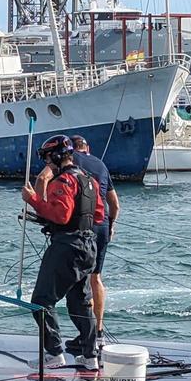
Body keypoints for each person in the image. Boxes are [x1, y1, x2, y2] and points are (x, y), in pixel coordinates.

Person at [21, 135, 104, 372]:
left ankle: (55, 352)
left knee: (41, 301)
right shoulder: (89, 181)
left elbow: (61, 216)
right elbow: (98, 215)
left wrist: (34, 200)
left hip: (67, 246)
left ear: (56, 156)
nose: (47, 163)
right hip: (89, 246)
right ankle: (90, 356)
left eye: (48, 158)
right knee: (80, 303)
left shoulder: (63, 182)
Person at [70, 136, 120, 356]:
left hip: (84, 223)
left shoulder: (70, 161)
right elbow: (115, 203)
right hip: (103, 224)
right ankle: (98, 331)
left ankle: (86, 333)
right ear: (88, 147)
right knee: (96, 277)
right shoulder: (100, 164)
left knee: (77, 279)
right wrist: (111, 225)